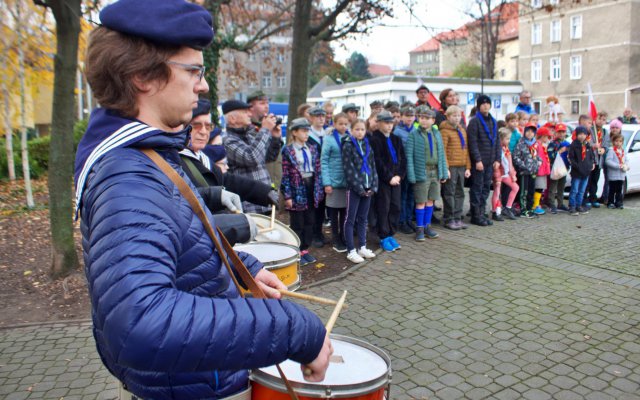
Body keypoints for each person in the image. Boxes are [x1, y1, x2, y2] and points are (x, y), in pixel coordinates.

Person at [75, 1, 331, 399]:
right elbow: (140, 323)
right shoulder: (128, 176)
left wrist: (238, 266)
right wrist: (296, 330)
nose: (204, 85)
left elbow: (183, 236)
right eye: (193, 70)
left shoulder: (151, 155)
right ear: (143, 76)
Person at [224, 99, 283, 214]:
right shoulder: (227, 141)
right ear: (232, 119)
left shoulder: (250, 135)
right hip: (249, 206)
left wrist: (275, 138)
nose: (250, 114)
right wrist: (265, 129)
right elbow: (252, 158)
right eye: (245, 112)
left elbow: (269, 158)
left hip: (265, 201)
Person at [281, 118, 324, 266]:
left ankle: (305, 249)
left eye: (308, 131)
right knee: (297, 222)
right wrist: (287, 195)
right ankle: (296, 250)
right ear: (294, 132)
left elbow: (318, 170)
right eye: (303, 131)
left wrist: (319, 190)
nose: (306, 134)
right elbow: (285, 174)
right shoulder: (288, 150)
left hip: (311, 187)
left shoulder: (312, 148)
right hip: (296, 188)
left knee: (309, 221)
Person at [405, 107, 448, 240]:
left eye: (427, 118)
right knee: (421, 201)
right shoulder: (413, 134)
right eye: (422, 118)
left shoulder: (436, 133)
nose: (424, 121)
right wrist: (411, 175)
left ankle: (427, 226)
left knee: (431, 200)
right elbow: (409, 156)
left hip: (434, 172)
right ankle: (419, 229)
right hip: (421, 172)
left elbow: (441, 154)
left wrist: (444, 172)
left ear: (433, 120)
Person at [341, 119, 378, 263]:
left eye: (362, 129)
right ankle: (351, 250)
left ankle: (362, 246)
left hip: (368, 189)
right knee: (350, 219)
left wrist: (373, 186)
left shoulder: (367, 144)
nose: (360, 132)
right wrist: (360, 188)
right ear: (351, 130)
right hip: (355, 189)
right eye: (357, 129)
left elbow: (373, 167)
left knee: (363, 218)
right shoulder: (348, 146)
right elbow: (349, 170)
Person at [370, 111, 406, 252]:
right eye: (386, 123)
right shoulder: (374, 140)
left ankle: (391, 233)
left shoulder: (396, 139)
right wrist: (389, 177)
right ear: (379, 123)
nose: (389, 125)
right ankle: (383, 235)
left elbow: (402, 159)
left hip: (396, 180)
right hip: (384, 181)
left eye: (391, 123)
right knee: (383, 208)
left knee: (395, 206)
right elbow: (377, 161)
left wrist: (399, 176)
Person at [467, 95, 501, 226]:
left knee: (486, 188)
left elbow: (497, 141)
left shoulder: (493, 121)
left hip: (490, 161)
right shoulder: (475, 121)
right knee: (477, 188)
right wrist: (477, 160)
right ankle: (475, 214)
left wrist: (497, 158)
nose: (486, 106)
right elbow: (473, 142)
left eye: (488, 104)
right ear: (478, 106)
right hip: (480, 163)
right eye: (483, 104)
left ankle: (482, 212)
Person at [322, 112, 350, 253]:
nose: (343, 126)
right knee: (333, 213)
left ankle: (344, 236)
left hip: (346, 183)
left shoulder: (349, 137)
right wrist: (327, 183)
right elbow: (324, 161)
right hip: (333, 183)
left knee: (345, 213)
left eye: (346, 124)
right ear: (334, 124)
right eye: (340, 124)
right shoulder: (329, 139)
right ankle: (335, 238)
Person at [440, 105, 471, 230]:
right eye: (454, 116)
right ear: (448, 116)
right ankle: (449, 218)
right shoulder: (444, 131)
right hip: (451, 167)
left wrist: (468, 167)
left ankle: (458, 217)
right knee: (449, 192)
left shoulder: (462, 130)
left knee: (460, 192)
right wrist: (446, 168)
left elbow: (466, 149)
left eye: (458, 115)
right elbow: (443, 151)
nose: (457, 118)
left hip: (461, 166)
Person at [307, 106, 329, 247]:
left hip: (325, 175)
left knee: (321, 206)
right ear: (311, 118)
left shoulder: (327, 134)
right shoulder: (307, 135)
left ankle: (319, 231)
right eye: (317, 116)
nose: (321, 118)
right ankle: (312, 234)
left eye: (323, 115)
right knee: (312, 206)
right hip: (312, 176)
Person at [394, 106, 416, 234]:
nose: (409, 118)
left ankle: (408, 219)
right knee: (402, 195)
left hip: (414, 168)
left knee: (411, 195)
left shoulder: (416, 130)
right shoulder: (397, 131)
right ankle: (401, 221)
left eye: (411, 115)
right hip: (403, 169)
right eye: (407, 115)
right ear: (402, 116)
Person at [513, 124, 542, 218]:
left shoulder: (535, 144)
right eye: (528, 131)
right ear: (524, 132)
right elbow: (516, 157)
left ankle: (530, 208)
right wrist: (523, 166)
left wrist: (539, 162)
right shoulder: (520, 144)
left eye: (532, 132)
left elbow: (537, 156)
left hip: (533, 171)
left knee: (531, 191)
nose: (530, 133)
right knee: (523, 192)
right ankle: (523, 209)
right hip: (524, 172)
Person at [491, 128, 519, 221]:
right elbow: (497, 164)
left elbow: (509, 163)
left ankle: (508, 207)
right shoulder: (497, 149)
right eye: (507, 139)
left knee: (515, 187)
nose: (509, 141)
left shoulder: (506, 148)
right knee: (497, 192)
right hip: (498, 174)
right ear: (501, 138)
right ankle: (496, 211)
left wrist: (512, 174)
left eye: (509, 139)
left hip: (506, 173)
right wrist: (497, 176)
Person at [568, 126, 596, 216]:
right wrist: (577, 166)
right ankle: (572, 206)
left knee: (582, 190)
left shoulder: (587, 145)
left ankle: (579, 205)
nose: (582, 136)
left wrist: (592, 163)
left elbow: (591, 156)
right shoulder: (574, 145)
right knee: (574, 190)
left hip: (586, 171)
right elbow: (571, 158)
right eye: (580, 134)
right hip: (577, 172)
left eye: (584, 134)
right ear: (576, 135)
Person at [584, 111, 608, 208]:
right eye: (599, 119)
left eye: (603, 120)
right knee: (588, 180)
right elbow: (587, 142)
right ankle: (585, 199)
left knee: (595, 180)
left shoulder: (605, 132)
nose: (601, 121)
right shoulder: (591, 130)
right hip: (591, 159)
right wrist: (593, 145)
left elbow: (606, 143)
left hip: (599, 159)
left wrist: (604, 149)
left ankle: (593, 198)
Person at [547, 123, 571, 214]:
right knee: (553, 187)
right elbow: (550, 156)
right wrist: (559, 151)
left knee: (561, 187)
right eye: (559, 132)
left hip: (564, 168)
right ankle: (551, 204)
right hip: (555, 168)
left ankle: (560, 204)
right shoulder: (552, 144)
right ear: (556, 133)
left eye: (563, 132)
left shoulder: (567, 143)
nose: (561, 134)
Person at [605, 132, 629, 209]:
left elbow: (626, 160)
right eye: (616, 141)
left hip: (621, 175)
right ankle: (610, 202)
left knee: (619, 190)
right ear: (613, 142)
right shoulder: (611, 150)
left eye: (620, 141)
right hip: (613, 174)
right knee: (612, 189)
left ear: (622, 142)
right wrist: (618, 166)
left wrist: (626, 166)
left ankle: (619, 202)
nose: (618, 143)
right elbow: (608, 161)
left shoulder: (623, 151)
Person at [531, 126, 552, 215]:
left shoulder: (543, 145)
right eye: (547, 137)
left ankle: (537, 204)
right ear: (543, 136)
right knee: (538, 187)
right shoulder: (537, 145)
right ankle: (535, 205)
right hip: (539, 170)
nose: (547, 139)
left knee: (540, 188)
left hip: (543, 170)